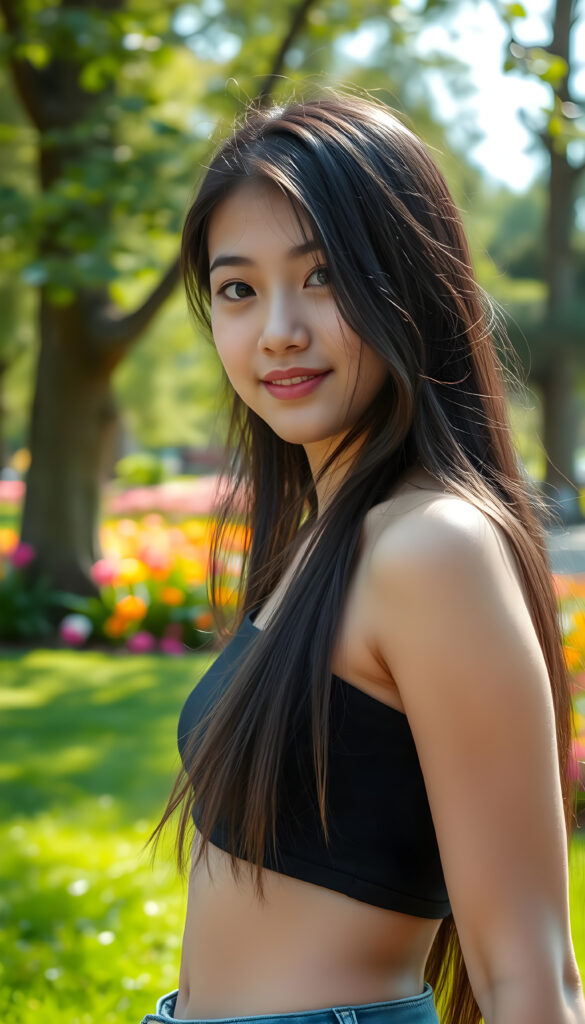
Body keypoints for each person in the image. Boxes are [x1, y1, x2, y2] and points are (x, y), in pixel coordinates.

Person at [141, 89, 585, 1024]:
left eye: (325, 275)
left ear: (408, 284)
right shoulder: (330, 535)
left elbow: (529, 976)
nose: (278, 331)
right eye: (237, 289)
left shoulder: (432, 546)